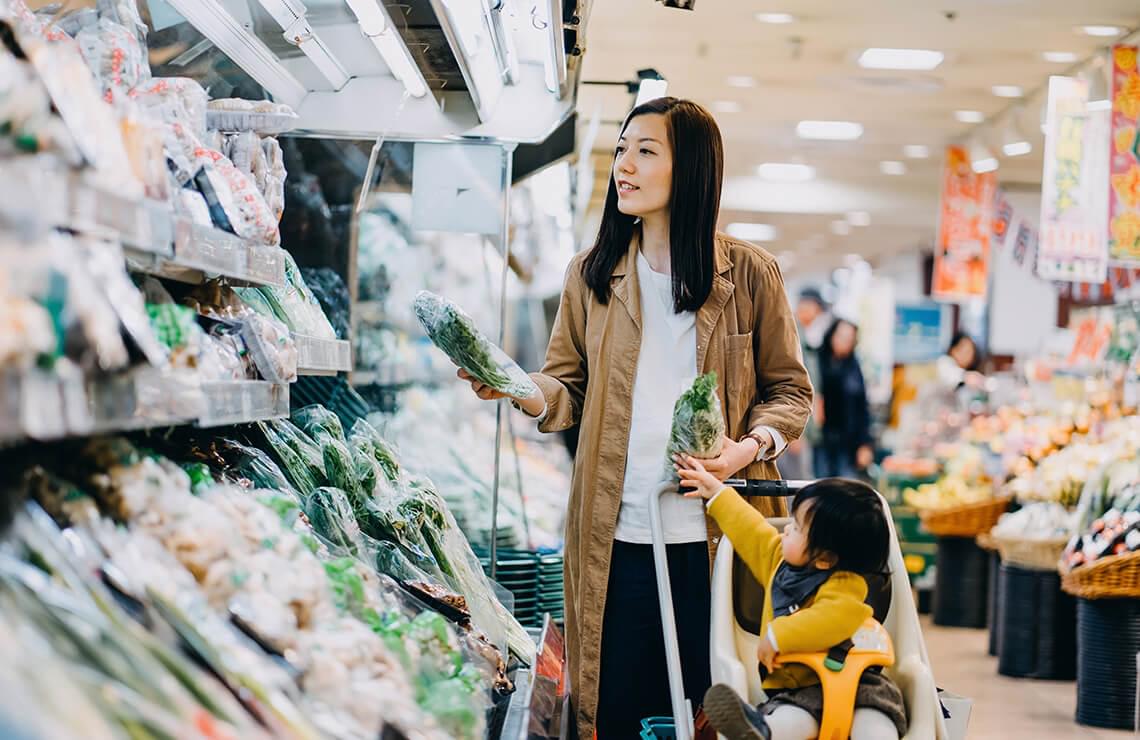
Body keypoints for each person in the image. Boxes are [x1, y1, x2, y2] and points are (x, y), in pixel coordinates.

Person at [456, 97, 813, 739]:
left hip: (720, 540)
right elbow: (565, 388)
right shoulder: (591, 276)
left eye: (646, 150)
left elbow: (790, 393)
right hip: (617, 536)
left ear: (693, 167)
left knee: (719, 709)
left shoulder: (751, 275)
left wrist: (744, 449)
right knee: (622, 709)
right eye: (622, 149)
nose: (624, 164)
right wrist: (516, 388)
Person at [672, 457, 907, 740]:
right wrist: (717, 492)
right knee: (792, 720)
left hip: (858, 685)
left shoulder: (846, 586)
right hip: (797, 690)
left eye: (796, 528)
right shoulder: (777, 561)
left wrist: (778, 635)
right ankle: (760, 730)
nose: (784, 528)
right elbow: (750, 531)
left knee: (875, 722)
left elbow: (832, 620)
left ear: (825, 559)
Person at [816, 319, 873, 479]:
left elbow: (862, 408)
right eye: (841, 336)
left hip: (847, 442)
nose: (844, 342)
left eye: (849, 339)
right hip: (819, 440)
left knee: (845, 486)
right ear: (832, 335)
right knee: (818, 486)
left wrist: (865, 444)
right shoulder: (816, 361)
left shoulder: (854, 367)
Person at [783, 288, 829, 481]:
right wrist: (793, 432)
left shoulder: (802, 332)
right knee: (796, 482)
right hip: (794, 427)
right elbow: (789, 382)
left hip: (802, 426)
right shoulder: (792, 331)